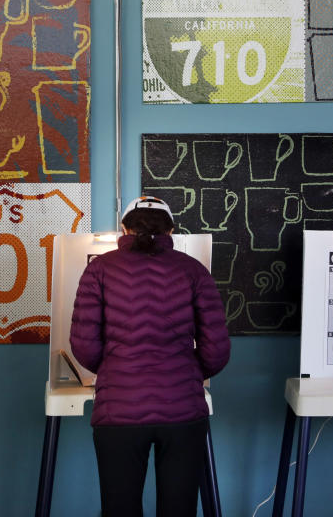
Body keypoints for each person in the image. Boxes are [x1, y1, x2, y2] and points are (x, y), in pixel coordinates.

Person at [69, 196, 231, 517]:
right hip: (183, 411)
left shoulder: (99, 270)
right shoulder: (193, 271)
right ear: (171, 229)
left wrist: (117, 370)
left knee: (120, 509)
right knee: (179, 509)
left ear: (124, 227)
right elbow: (217, 350)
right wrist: (186, 371)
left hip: (118, 412)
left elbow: (84, 346)